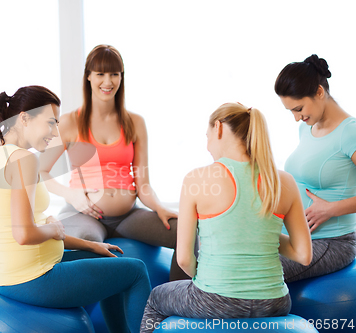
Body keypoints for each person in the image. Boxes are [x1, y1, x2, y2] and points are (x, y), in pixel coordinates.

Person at [0, 85, 151, 333]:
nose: (55, 132)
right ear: (24, 117)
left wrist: (91, 245)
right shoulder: (23, 160)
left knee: (109, 257)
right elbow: (24, 234)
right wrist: (55, 230)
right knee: (136, 271)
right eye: (50, 123)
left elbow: (27, 226)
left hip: (4, 273)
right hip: (31, 278)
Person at [140, 103, 313, 332]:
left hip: (215, 299)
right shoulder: (284, 181)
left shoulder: (196, 179)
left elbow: (184, 259)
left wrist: (206, 282)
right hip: (274, 302)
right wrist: (258, 232)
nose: (208, 146)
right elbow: (304, 254)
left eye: (207, 136)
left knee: (155, 299)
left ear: (219, 128)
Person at [39, 44, 190, 281]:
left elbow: (143, 183)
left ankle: (175, 300)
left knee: (186, 231)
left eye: (114, 74)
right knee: (85, 245)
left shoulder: (135, 122)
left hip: (128, 215)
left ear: (121, 77)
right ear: (88, 76)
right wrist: (73, 195)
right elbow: (42, 172)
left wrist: (159, 207)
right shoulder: (69, 123)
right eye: (100, 73)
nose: (107, 81)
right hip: (84, 212)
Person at [275, 54, 356, 283]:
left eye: (298, 108)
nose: (296, 118)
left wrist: (332, 209)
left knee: (254, 269)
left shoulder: (350, 133)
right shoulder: (307, 129)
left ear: (319, 92)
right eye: (291, 111)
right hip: (293, 237)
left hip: (331, 242)